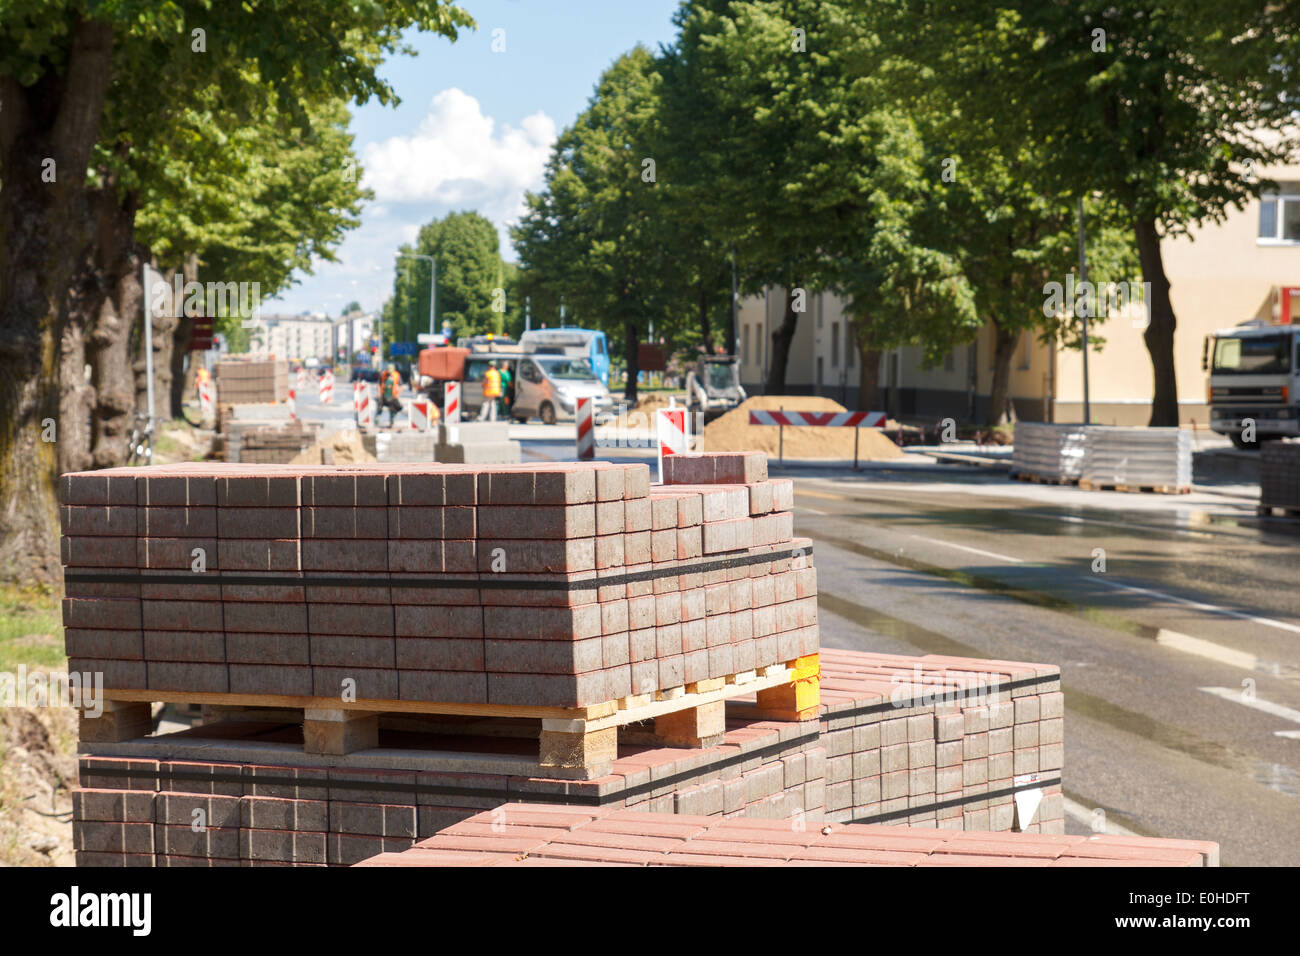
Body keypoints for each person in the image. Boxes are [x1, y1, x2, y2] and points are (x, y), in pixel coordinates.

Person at [378, 363, 403, 428]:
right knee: (379, 408)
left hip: (393, 396)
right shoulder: (383, 374)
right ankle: (376, 421)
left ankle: (392, 422)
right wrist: (379, 394)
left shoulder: (397, 375)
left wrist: (397, 395)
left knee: (393, 409)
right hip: (383, 395)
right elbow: (379, 384)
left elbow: (400, 386)